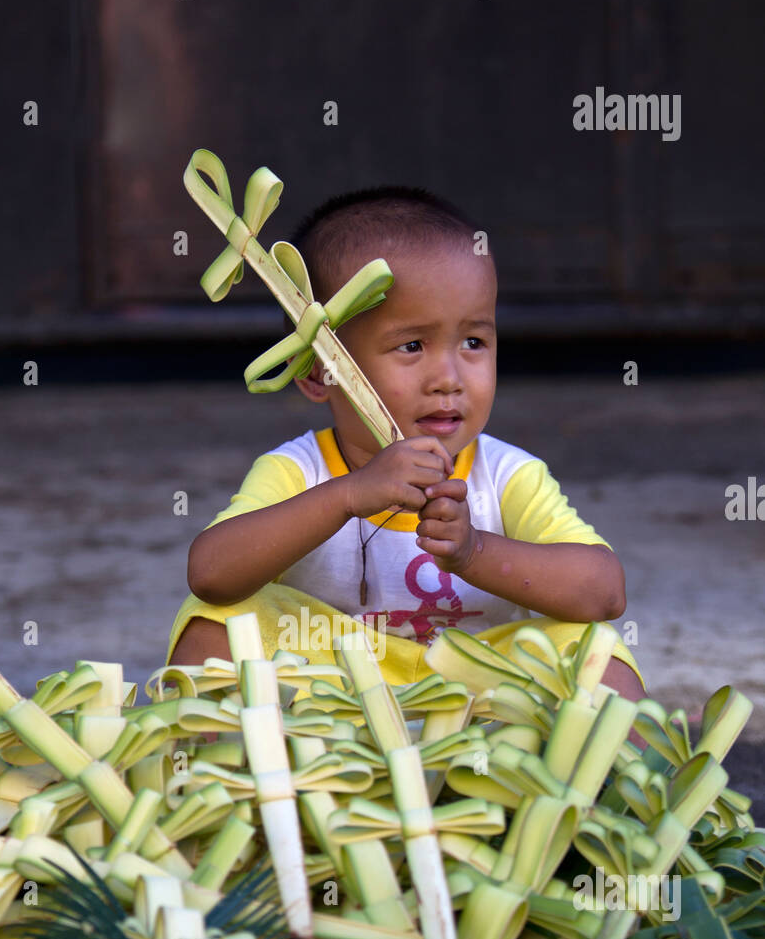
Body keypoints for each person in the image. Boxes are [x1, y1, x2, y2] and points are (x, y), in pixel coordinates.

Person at [166, 184, 645, 710]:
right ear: (318, 372)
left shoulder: (506, 475)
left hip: (475, 693)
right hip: (328, 695)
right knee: (215, 623)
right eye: (412, 345)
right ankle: (222, 775)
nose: (449, 377)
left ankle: (616, 785)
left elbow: (604, 593)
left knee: (591, 649)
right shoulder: (297, 471)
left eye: (474, 342)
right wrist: (348, 496)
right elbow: (211, 575)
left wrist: (474, 551)